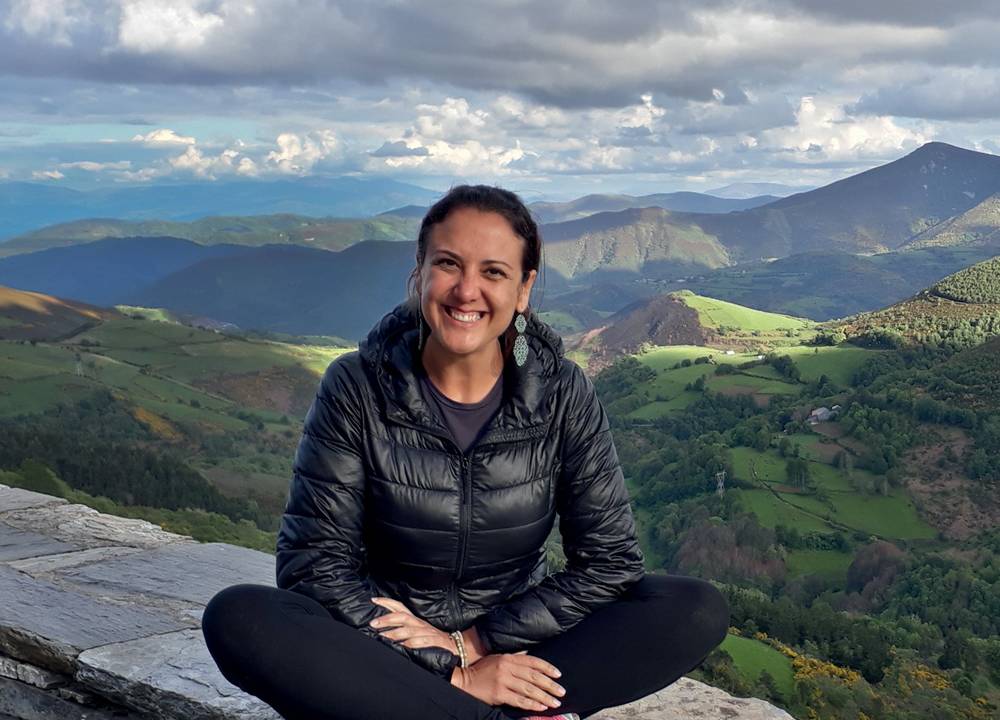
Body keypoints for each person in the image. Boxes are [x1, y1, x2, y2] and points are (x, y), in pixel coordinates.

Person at [202, 185, 730, 720]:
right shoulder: (356, 385)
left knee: (692, 608)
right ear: (420, 272)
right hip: (389, 652)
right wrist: (452, 672)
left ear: (524, 290)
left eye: (494, 272)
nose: (466, 290)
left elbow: (609, 561)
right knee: (241, 617)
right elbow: (314, 564)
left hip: (519, 642)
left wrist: (477, 645)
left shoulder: (562, 392)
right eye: (449, 264)